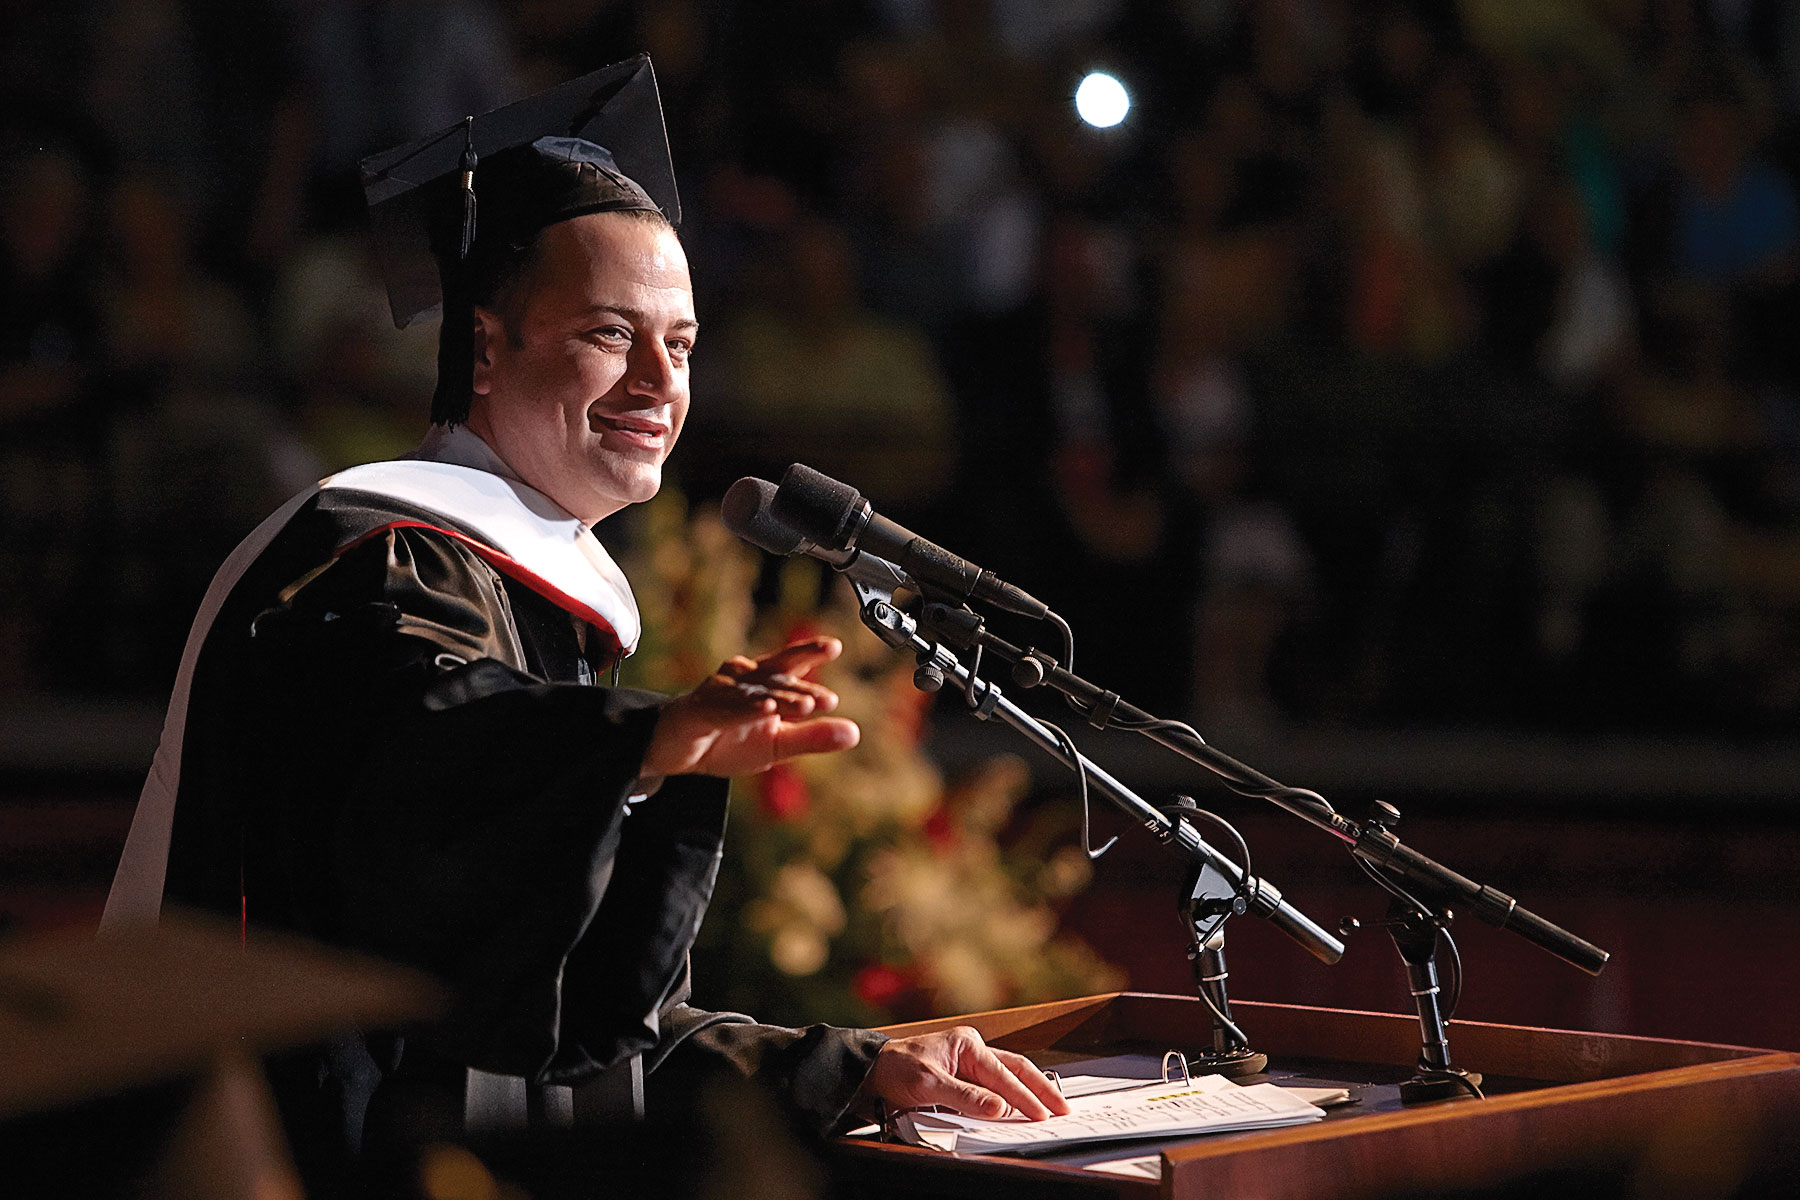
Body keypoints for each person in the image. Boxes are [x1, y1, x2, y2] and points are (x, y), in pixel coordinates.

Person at [101, 56, 1066, 1187]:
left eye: (684, 342)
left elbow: (576, 1045)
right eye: (612, 333)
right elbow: (429, 755)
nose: (661, 379)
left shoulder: (526, 581)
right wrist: (639, 746)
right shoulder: (369, 562)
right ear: (485, 344)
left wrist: (852, 1069)